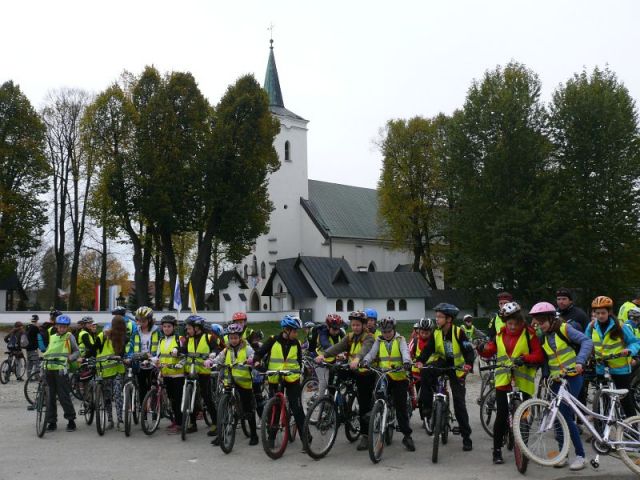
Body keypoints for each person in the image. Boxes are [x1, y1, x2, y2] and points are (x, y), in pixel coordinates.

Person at [478, 302, 544, 464]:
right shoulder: (500, 335)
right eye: (509, 324)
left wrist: (525, 359)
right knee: (501, 416)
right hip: (504, 381)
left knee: (525, 418)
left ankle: (523, 448)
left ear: (521, 322)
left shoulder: (529, 334)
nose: (512, 327)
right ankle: (497, 450)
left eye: (516, 323)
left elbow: (539, 355)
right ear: (505, 323)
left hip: (523, 381)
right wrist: (481, 349)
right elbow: (490, 351)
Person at [530, 301, 593, 471]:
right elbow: (545, 359)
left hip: (573, 377)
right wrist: (545, 375)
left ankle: (581, 456)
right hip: (557, 380)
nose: (539, 325)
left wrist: (580, 362)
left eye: (541, 322)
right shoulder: (543, 335)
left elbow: (587, 342)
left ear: (551, 319)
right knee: (556, 416)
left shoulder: (565, 328)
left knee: (565, 416)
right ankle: (563, 454)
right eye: (537, 322)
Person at [415, 302, 474, 452]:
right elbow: (429, 349)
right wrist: (421, 360)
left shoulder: (458, 332)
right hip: (442, 362)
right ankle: (428, 408)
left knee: (459, 403)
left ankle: (466, 437)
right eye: (437, 316)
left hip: (457, 368)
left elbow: (468, 350)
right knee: (426, 372)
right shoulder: (436, 332)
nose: (437, 319)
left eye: (440, 317)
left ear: (449, 319)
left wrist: (468, 364)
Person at [315, 310, 374, 451]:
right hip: (352, 369)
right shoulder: (349, 337)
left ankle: (365, 435)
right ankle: (333, 404)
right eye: (353, 325)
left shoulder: (369, 337)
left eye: (358, 325)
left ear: (364, 325)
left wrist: (357, 359)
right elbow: (337, 347)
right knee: (335, 373)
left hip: (365, 372)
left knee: (364, 403)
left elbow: (365, 350)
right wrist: (324, 355)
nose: (355, 327)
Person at [362, 317, 415, 451]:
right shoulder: (379, 340)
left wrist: (407, 362)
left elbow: (405, 352)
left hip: (399, 376)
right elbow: (372, 353)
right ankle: (377, 412)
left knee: (401, 407)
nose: (386, 334)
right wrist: (366, 360)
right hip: (384, 375)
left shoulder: (400, 339)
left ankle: (407, 436)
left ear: (394, 330)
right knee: (378, 393)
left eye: (389, 331)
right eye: (384, 331)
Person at [254, 315, 307, 451]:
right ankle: (271, 437)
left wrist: (299, 373)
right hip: (275, 378)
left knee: (297, 408)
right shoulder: (273, 340)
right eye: (294, 331)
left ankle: (306, 438)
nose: (296, 334)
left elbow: (299, 362)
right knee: (275, 409)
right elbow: (259, 353)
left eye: (297, 331)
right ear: (286, 330)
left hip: (291, 378)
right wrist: (257, 361)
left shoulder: (297, 344)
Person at [585, 296, 640, 418]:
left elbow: (636, 342)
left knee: (626, 401)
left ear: (609, 312)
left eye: (603, 313)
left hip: (620, 370)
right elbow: (586, 342)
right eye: (597, 313)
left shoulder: (620, 326)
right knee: (602, 401)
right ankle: (602, 430)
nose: (600, 316)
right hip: (601, 368)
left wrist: (630, 350)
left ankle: (633, 429)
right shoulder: (592, 326)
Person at [212, 322, 259, 445]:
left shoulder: (247, 348)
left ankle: (254, 435)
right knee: (225, 407)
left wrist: (251, 360)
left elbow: (254, 356)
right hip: (230, 381)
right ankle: (221, 436)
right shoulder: (226, 350)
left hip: (244, 383)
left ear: (240, 338)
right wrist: (210, 361)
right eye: (231, 338)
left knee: (248, 409)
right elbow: (218, 358)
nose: (233, 340)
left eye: (235, 337)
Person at [180, 315, 219, 440]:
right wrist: (176, 350)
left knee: (206, 396)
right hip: (190, 370)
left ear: (197, 328)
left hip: (203, 372)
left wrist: (213, 354)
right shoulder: (188, 339)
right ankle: (192, 423)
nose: (187, 330)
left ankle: (215, 423)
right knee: (189, 395)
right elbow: (183, 350)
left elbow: (217, 348)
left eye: (189, 328)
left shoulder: (209, 337)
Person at [42, 314, 79, 432]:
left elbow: (77, 352)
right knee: (50, 397)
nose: (62, 328)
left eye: (64, 327)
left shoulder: (69, 337)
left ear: (67, 327)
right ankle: (51, 422)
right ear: (57, 326)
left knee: (64, 396)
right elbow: (49, 351)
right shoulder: (52, 337)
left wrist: (70, 358)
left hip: (61, 370)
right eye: (60, 326)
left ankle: (71, 420)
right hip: (49, 369)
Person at [152, 315, 184, 435]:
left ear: (174, 327)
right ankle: (176, 421)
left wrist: (178, 352)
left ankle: (180, 424)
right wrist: (152, 360)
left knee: (178, 400)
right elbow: (159, 355)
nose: (166, 328)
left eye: (169, 326)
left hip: (177, 375)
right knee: (171, 399)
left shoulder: (179, 338)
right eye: (164, 326)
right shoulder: (161, 340)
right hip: (166, 374)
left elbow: (184, 353)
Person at [95, 316, 128, 430]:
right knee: (109, 396)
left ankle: (118, 420)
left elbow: (125, 353)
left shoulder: (124, 338)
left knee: (115, 395)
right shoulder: (103, 336)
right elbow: (94, 350)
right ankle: (113, 420)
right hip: (105, 370)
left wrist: (124, 358)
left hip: (115, 371)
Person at [308, 314, 346, 396]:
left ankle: (329, 402)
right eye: (334, 329)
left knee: (332, 383)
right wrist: (337, 353)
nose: (336, 331)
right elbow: (325, 344)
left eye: (338, 329)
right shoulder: (323, 332)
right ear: (328, 327)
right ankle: (320, 403)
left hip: (332, 360)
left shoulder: (340, 332)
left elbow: (347, 344)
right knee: (324, 382)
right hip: (319, 359)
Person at [131, 306, 160, 402]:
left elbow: (162, 345)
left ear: (150, 320)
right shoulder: (135, 331)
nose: (141, 323)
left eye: (144, 321)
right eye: (139, 320)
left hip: (153, 362)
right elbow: (131, 345)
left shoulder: (157, 331)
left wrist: (155, 357)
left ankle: (155, 408)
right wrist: (129, 356)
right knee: (142, 387)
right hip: (140, 363)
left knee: (154, 385)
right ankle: (143, 410)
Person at [410, 318, 434, 393]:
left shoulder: (435, 341)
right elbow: (408, 354)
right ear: (418, 331)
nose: (424, 335)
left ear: (431, 332)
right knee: (420, 394)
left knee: (431, 392)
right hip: (417, 373)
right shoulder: (415, 341)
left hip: (431, 371)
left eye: (426, 333)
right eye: (422, 332)